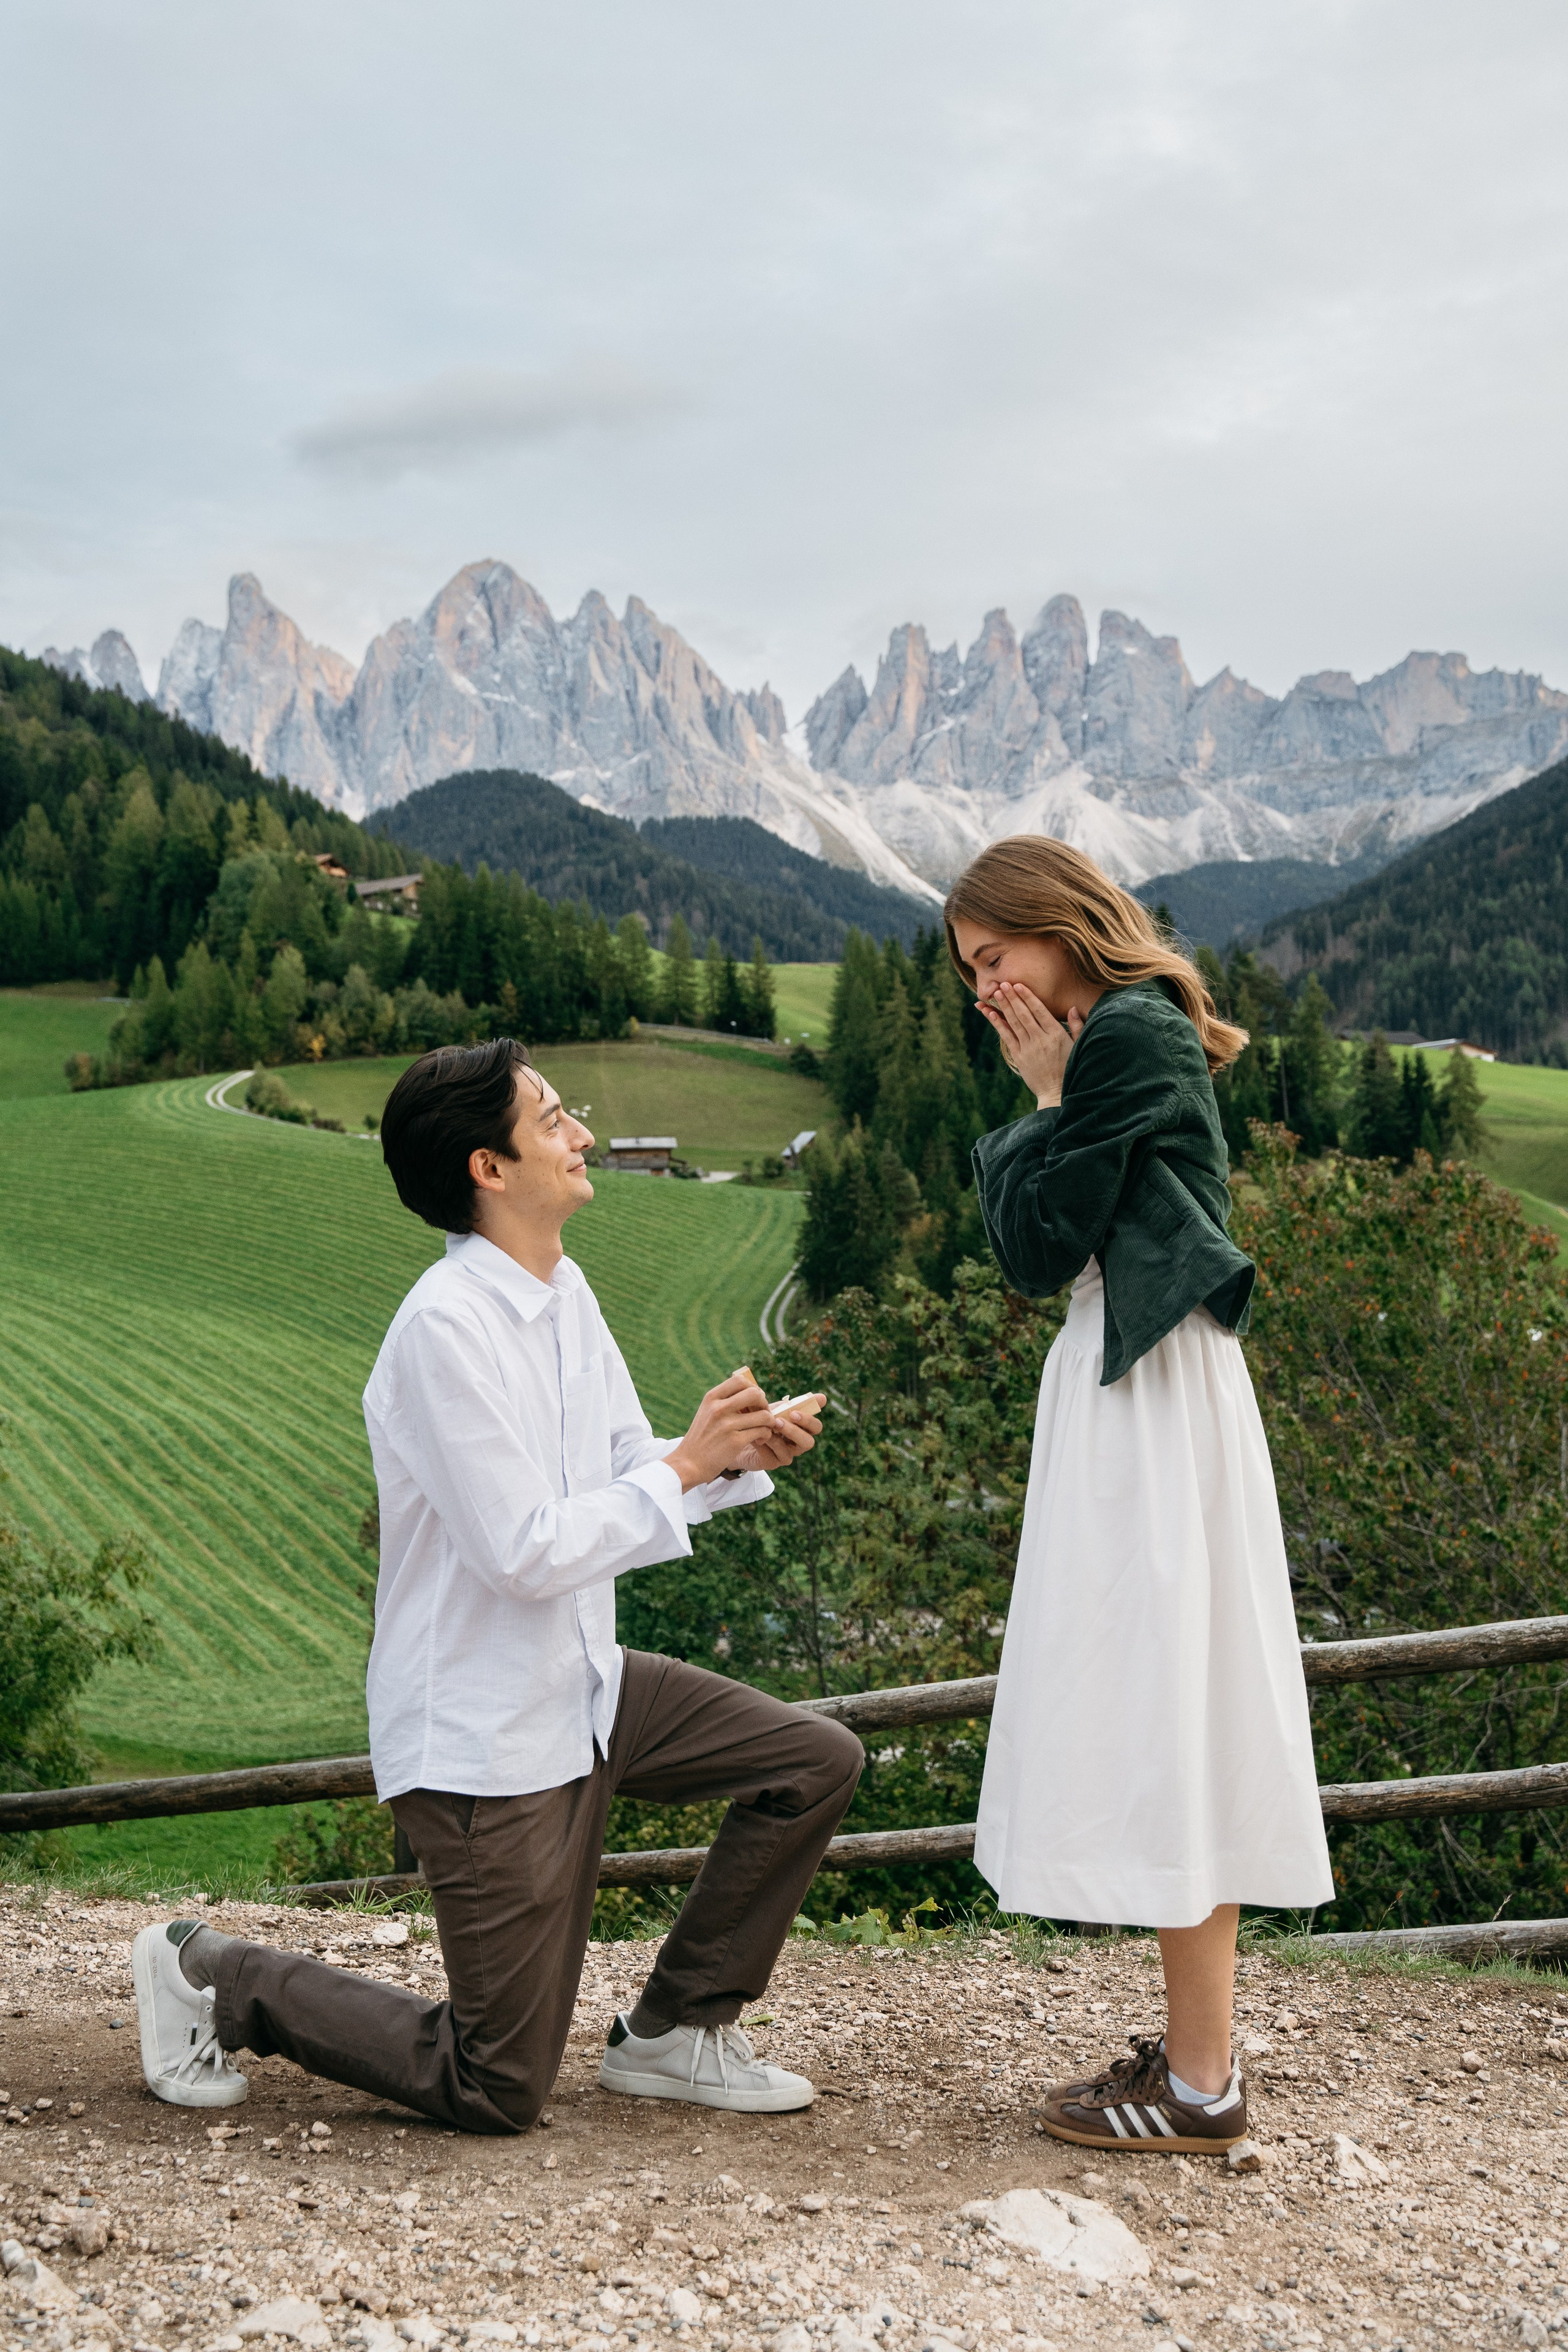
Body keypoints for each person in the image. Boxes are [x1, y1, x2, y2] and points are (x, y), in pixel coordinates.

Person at [130, 1036, 861, 2128]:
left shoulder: (564, 1291)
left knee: (812, 1762)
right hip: (483, 1739)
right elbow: (523, 1552)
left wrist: (730, 1460)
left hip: (586, 1686)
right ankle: (208, 1972)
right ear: (490, 1167)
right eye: (555, 1119)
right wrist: (683, 1467)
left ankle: (676, 2030)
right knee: (500, 2082)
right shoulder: (442, 1330)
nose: (583, 1136)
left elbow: (622, 1468)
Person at [946, 837, 1332, 2156]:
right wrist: (1044, 1113)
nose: (985, 991)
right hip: (1140, 1375)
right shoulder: (1121, 1034)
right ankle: (1192, 2057)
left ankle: (1202, 2082)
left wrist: (1042, 1104)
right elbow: (1032, 1241)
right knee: (1173, 1697)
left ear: (1053, 927)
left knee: (1174, 1700)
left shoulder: (1121, 1035)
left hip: (1149, 1382)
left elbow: (1039, 1240)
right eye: (969, 975)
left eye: (992, 959)